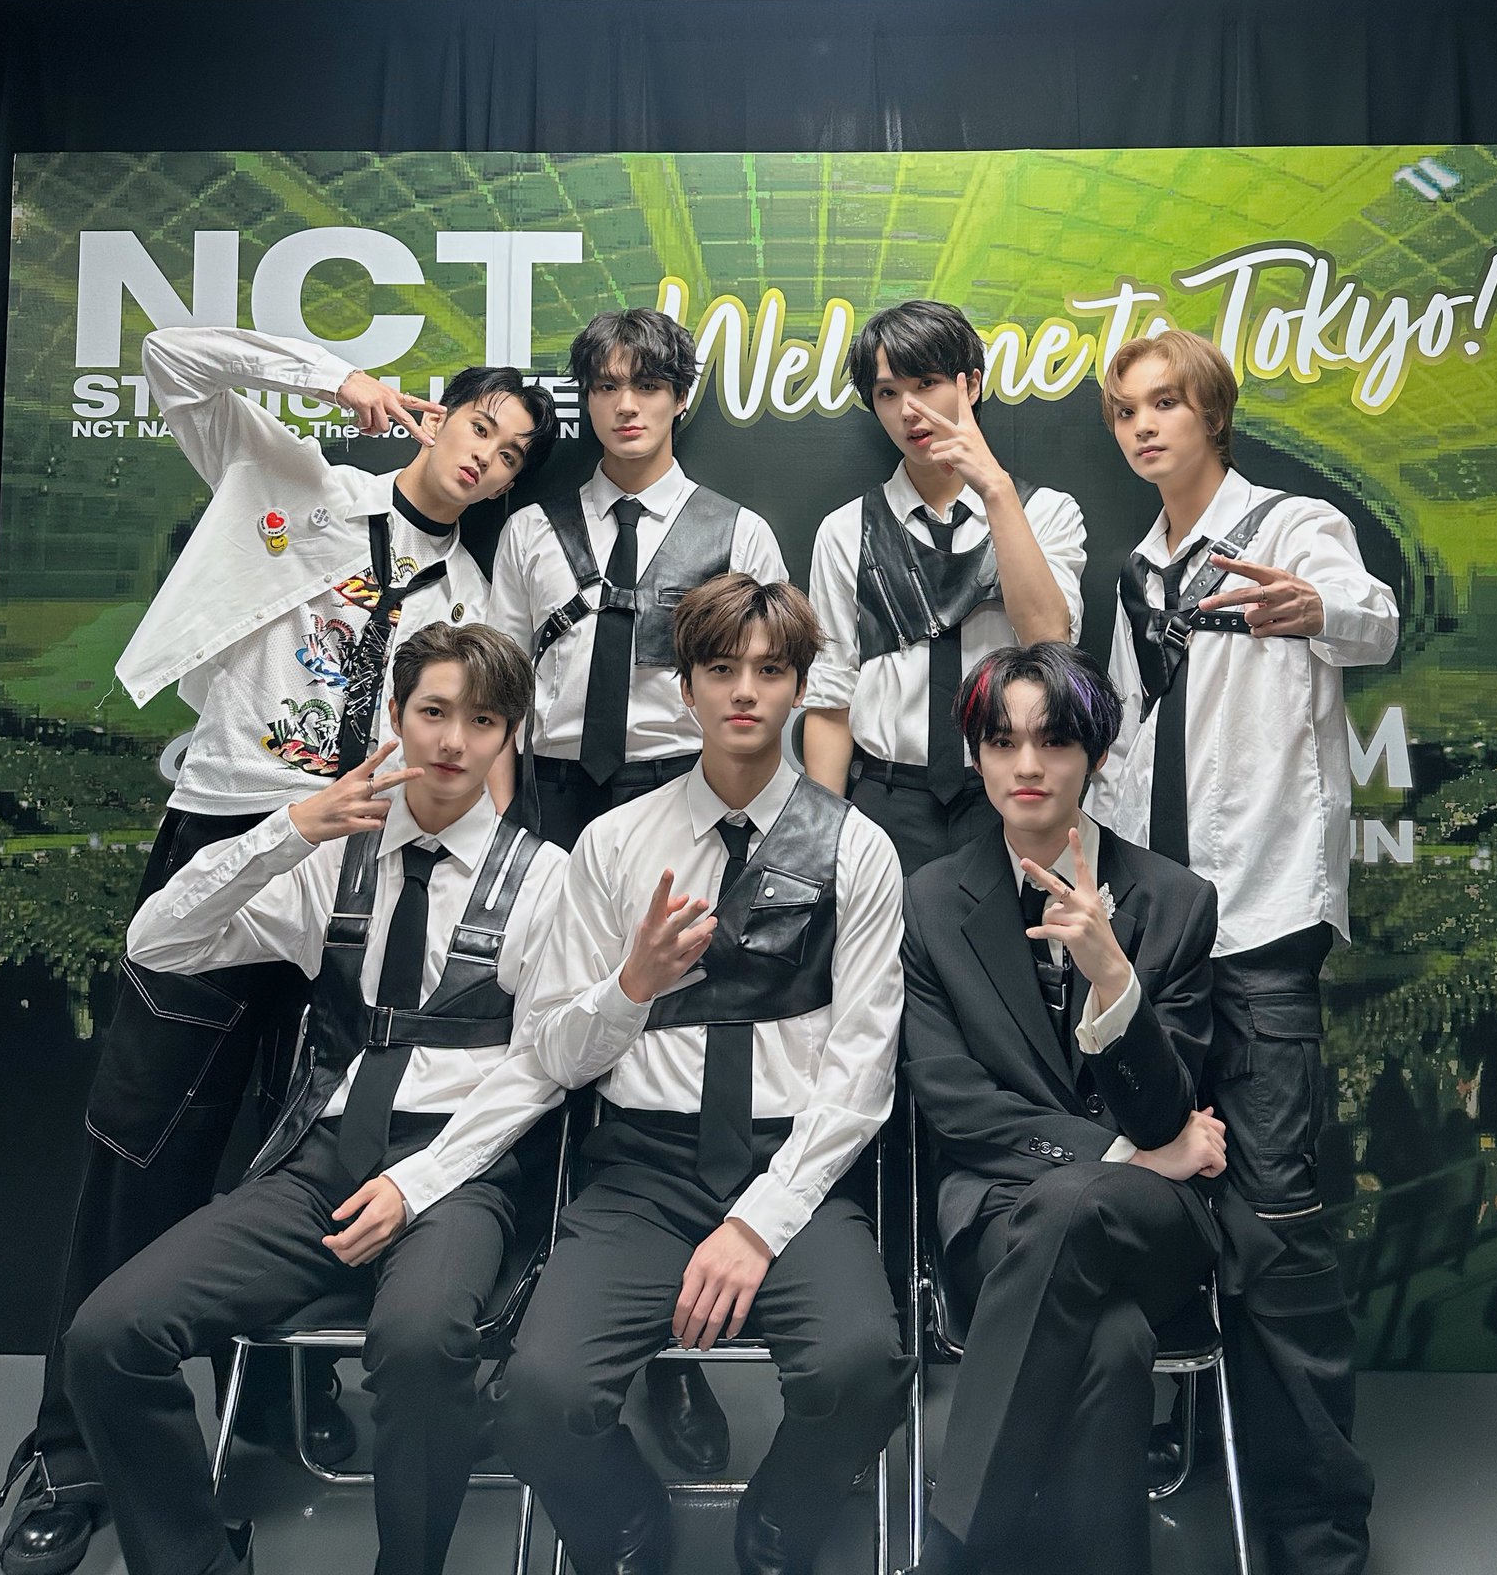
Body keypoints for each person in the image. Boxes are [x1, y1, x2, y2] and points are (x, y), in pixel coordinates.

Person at [0, 326, 556, 1575]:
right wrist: (332, 381)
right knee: (144, 1143)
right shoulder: (296, 482)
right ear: (438, 416)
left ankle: (274, 1410)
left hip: (363, 866)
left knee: (306, 1146)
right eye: (479, 425)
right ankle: (69, 1455)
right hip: (233, 836)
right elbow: (173, 357)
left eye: (514, 453)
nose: (488, 457)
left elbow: (491, 760)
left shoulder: (473, 603)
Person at [62, 622, 568, 1575]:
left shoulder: (548, 879)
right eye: (433, 712)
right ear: (396, 715)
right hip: (318, 1166)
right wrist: (287, 827)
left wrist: (416, 1185)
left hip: (460, 1171)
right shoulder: (330, 858)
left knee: (421, 1347)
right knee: (107, 1336)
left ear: (509, 737)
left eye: (482, 721)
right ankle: (197, 1561)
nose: (453, 741)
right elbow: (156, 943)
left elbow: (544, 1067)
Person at [493, 575, 913, 1575]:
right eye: (721, 669)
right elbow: (553, 1051)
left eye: (770, 670)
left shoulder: (858, 849)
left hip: (796, 1169)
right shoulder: (613, 843)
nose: (745, 691)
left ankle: (778, 1527)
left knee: (863, 1369)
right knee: (538, 1395)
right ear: (685, 688)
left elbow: (861, 1074)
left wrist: (757, 1223)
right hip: (641, 1171)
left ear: (801, 687)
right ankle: (627, 1523)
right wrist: (630, 987)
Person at [1089, 328, 1399, 1575]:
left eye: (1166, 401)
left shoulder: (1292, 526)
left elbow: (1375, 622)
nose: (1144, 424)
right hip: (1154, 942)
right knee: (1156, 1198)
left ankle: (1316, 1533)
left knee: (1276, 1233)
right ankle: (1181, 1434)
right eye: (1126, 408)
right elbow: (1124, 746)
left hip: (1262, 929)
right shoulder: (1137, 572)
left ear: (1213, 412)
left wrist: (1315, 607)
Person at [491, 305, 785, 1474]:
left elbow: (775, 693)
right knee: (541, 1045)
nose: (626, 404)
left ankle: (667, 1362)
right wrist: (507, 843)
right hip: (554, 802)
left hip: (678, 799)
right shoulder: (531, 531)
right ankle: (520, 1322)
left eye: (647, 384)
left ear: (679, 396)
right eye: (606, 385)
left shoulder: (739, 528)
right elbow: (498, 697)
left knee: (664, 1055)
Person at [899, 642, 1225, 1575]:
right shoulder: (931, 901)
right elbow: (954, 1104)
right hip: (1000, 1218)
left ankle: (953, 1548)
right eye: (1003, 743)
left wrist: (1113, 977)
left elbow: (1166, 1110)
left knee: (1074, 1205)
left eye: (1054, 742)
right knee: (1112, 1342)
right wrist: (1131, 1156)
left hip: (1148, 1226)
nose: (1028, 766)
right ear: (977, 757)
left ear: (1097, 754)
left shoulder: (1176, 902)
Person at [803, 299, 1085, 876]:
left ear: (971, 385)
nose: (910, 410)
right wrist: (819, 839)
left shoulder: (1046, 513)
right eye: (887, 393)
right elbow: (831, 699)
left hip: (1011, 796)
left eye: (927, 383)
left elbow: (1049, 640)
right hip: (885, 796)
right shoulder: (844, 530)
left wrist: (996, 494)